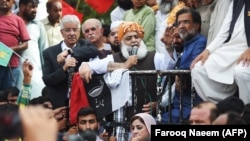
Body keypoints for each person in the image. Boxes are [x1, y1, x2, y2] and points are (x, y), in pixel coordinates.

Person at [79, 21, 177, 128]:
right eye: (128, 38)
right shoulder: (114, 58)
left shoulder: (155, 57)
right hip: (124, 121)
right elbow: (92, 66)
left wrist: (169, 47)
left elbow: (170, 67)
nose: (134, 40)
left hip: (151, 120)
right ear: (121, 42)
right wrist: (85, 65)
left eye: (136, 37)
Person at [191, 0, 250, 105]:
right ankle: (221, 106)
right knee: (198, 68)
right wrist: (207, 50)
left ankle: (246, 112)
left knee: (241, 72)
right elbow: (224, 31)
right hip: (231, 48)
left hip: (247, 49)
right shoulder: (236, 2)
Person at [42, 14, 98, 109]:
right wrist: (64, 68)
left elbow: (94, 51)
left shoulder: (85, 44)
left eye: (75, 29)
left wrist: (70, 51)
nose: (72, 33)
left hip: (82, 101)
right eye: (67, 30)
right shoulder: (49, 52)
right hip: (59, 103)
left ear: (79, 32)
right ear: (62, 32)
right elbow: (47, 80)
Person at [162, 7, 206, 124]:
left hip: (191, 107)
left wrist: (178, 73)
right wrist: (169, 47)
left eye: (186, 22)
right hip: (179, 105)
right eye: (179, 23)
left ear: (197, 26)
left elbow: (192, 66)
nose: (181, 26)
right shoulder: (186, 44)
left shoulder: (200, 42)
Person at [17, 0, 48, 99]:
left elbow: (44, 52)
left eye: (36, 7)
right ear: (22, 6)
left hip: (35, 76)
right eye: (32, 6)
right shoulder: (11, 22)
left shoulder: (38, 26)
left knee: (35, 107)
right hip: (15, 75)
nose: (35, 10)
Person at [0, 0, 30, 91]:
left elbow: (25, 44)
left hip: (11, 66)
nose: (4, 1)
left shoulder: (18, 20)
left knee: (8, 96)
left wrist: (8, 50)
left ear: (13, 2)